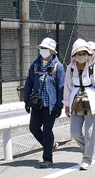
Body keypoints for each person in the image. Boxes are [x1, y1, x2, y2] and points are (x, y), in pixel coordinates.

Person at [64, 39, 95, 170]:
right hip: (76, 101)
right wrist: (66, 105)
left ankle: (87, 159)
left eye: (84, 53)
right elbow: (67, 88)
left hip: (91, 101)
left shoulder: (94, 68)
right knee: (75, 131)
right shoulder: (70, 69)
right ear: (74, 54)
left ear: (88, 54)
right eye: (79, 53)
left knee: (89, 133)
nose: (81, 56)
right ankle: (89, 149)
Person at [23, 37, 65, 169]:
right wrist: (26, 100)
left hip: (51, 105)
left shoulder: (58, 67)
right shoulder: (35, 65)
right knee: (33, 128)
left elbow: (61, 87)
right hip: (37, 104)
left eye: (45, 48)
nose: (43, 50)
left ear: (52, 51)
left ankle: (47, 158)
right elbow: (29, 83)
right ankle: (50, 145)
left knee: (47, 130)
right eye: (41, 48)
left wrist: (59, 106)